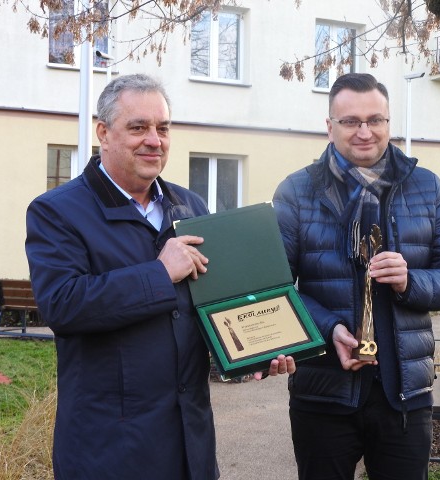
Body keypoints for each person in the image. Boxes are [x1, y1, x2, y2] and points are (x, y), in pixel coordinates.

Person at [25, 73, 295, 480]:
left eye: (163, 128)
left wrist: (252, 353)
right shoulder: (57, 212)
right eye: (138, 128)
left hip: (190, 444)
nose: (154, 140)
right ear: (103, 132)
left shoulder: (189, 204)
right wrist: (159, 273)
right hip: (109, 451)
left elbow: (212, 305)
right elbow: (64, 306)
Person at [272, 73, 440, 480]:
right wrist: (330, 328)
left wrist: (410, 281)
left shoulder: (425, 187)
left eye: (375, 120)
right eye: (350, 121)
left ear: (389, 123)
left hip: (404, 395)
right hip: (323, 392)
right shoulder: (296, 191)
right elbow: (277, 289)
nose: (364, 132)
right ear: (330, 127)